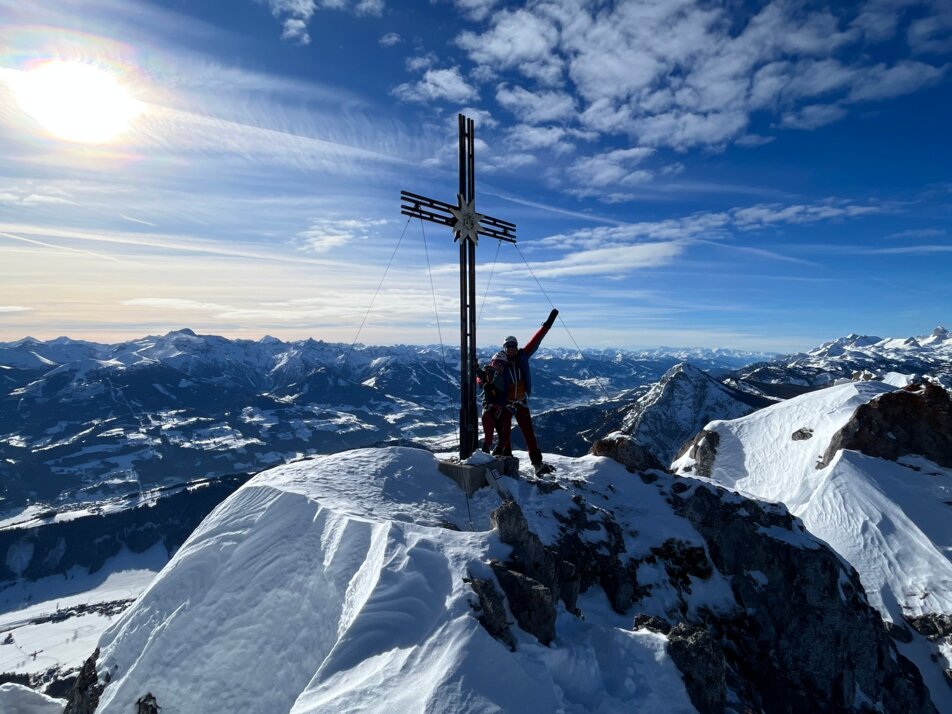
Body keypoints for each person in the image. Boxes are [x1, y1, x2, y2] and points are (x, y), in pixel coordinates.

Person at [498, 308, 558, 475]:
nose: (511, 349)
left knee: (529, 433)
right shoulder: (499, 361)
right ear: (504, 347)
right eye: (509, 346)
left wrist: (547, 325)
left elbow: (536, 340)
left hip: (521, 401)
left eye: (514, 346)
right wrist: (480, 380)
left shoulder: (523, 356)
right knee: (505, 433)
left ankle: (537, 463)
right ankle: (506, 461)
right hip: (507, 403)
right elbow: (486, 374)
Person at [475, 351, 511, 455]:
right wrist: (477, 369)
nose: (498, 367)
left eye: (501, 364)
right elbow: (481, 376)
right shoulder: (488, 372)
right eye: (496, 364)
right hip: (490, 406)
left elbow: (505, 394)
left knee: (503, 431)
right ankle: (487, 448)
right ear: (492, 363)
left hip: (500, 407)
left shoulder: (505, 378)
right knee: (488, 426)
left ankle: (499, 449)